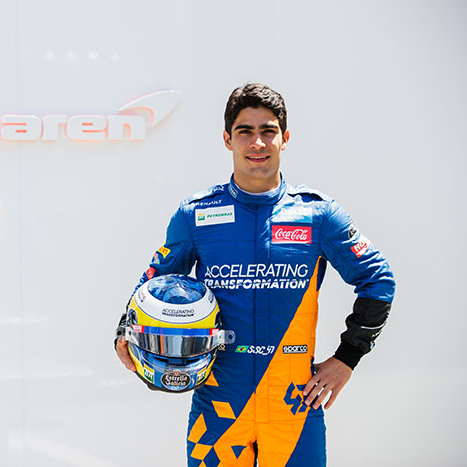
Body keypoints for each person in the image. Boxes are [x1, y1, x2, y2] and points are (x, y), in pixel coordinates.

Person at [115, 83, 395, 466]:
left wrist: (347, 358)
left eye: (268, 131)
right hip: (219, 403)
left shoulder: (318, 215)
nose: (257, 142)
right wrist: (124, 332)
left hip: (295, 404)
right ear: (227, 139)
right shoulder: (196, 215)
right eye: (245, 131)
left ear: (285, 138)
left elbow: (379, 281)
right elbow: (152, 286)